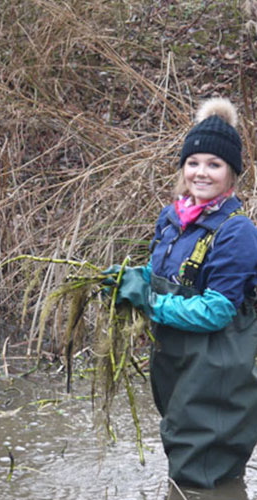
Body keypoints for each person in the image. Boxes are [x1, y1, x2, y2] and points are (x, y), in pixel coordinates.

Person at [106, 97, 257, 488]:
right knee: (182, 454)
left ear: (232, 174)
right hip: (176, 363)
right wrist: (127, 279)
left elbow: (218, 311)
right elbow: (163, 276)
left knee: (202, 473)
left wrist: (150, 303)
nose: (201, 173)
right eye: (193, 162)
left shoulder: (238, 231)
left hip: (216, 371)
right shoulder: (173, 218)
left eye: (214, 165)